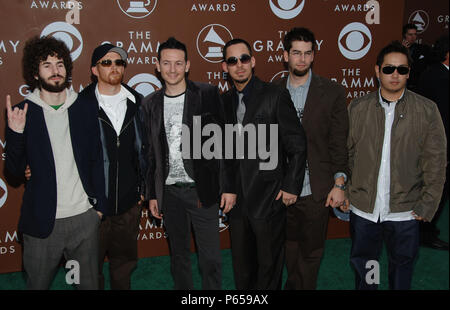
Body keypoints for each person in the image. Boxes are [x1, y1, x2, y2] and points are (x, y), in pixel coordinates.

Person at [5, 36, 106, 289]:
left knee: (88, 285)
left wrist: (99, 209)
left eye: (59, 64)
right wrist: (16, 134)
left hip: (84, 219)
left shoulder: (84, 107)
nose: (55, 70)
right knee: (37, 285)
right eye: (46, 65)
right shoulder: (22, 112)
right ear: (35, 72)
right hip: (41, 222)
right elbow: (14, 173)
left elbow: (97, 159)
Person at [343, 41, 447, 290]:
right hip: (365, 211)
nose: (395, 75)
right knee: (367, 268)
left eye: (402, 70)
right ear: (377, 70)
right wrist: (347, 190)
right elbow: (347, 155)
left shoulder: (426, 110)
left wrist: (428, 203)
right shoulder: (358, 108)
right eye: (389, 69)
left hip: (406, 212)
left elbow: (436, 161)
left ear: (409, 73)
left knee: (401, 270)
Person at [141, 37, 236, 290]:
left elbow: (226, 143)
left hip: (201, 190)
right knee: (179, 257)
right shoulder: (150, 103)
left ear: (187, 65)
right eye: (166, 63)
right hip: (170, 194)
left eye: (178, 63)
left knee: (211, 259)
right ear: (157, 66)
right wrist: (152, 194)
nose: (172, 69)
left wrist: (228, 186)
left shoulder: (207, 94)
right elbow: (151, 154)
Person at [221, 38, 307, 289]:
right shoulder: (223, 102)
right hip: (236, 203)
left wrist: (292, 185)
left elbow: (298, 144)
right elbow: (223, 154)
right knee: (242, 267)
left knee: (268, 267)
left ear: (253, 61)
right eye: (232, 61)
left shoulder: (275, 95)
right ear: (225, 67)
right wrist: (226, 187)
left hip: (268, 198)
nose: (239, 65)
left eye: (244, 59)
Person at [273, 27, 349, 289]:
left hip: (318, 188)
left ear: (313, 56)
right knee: (287, 247)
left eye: (307, 53)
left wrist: (339, 184)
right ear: (285, 55)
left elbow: (339, 143)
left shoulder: (332, 92)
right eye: (296, 53)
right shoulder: (270, 91)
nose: (302, 59)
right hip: (280, 189)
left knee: (312, 250)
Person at [77, 43, 148, 289]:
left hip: (129, 204)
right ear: (94, 70)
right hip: (92, 207)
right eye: (106, 62)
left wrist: (142, 189)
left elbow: (146, 149)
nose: (114, 67)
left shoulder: (137, 102)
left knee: (124, 264)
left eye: (119, 62)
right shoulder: (80, 106)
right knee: (88, 268)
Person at [417, 34, 449, 251]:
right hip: (438, 146)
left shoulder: (434, 73)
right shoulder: (439, 78)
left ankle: (426, 229)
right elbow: (443, 119)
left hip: (435, 145)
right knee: (437, 189)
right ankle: (425, 233)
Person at [401, 23, 431, 92]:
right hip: (402, 84)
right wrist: (403, 50)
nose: (413, 37)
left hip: (417, 86)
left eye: (415, 34)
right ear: (404, 35)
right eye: (410, 34)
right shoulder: (398, 49)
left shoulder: (423, 48)